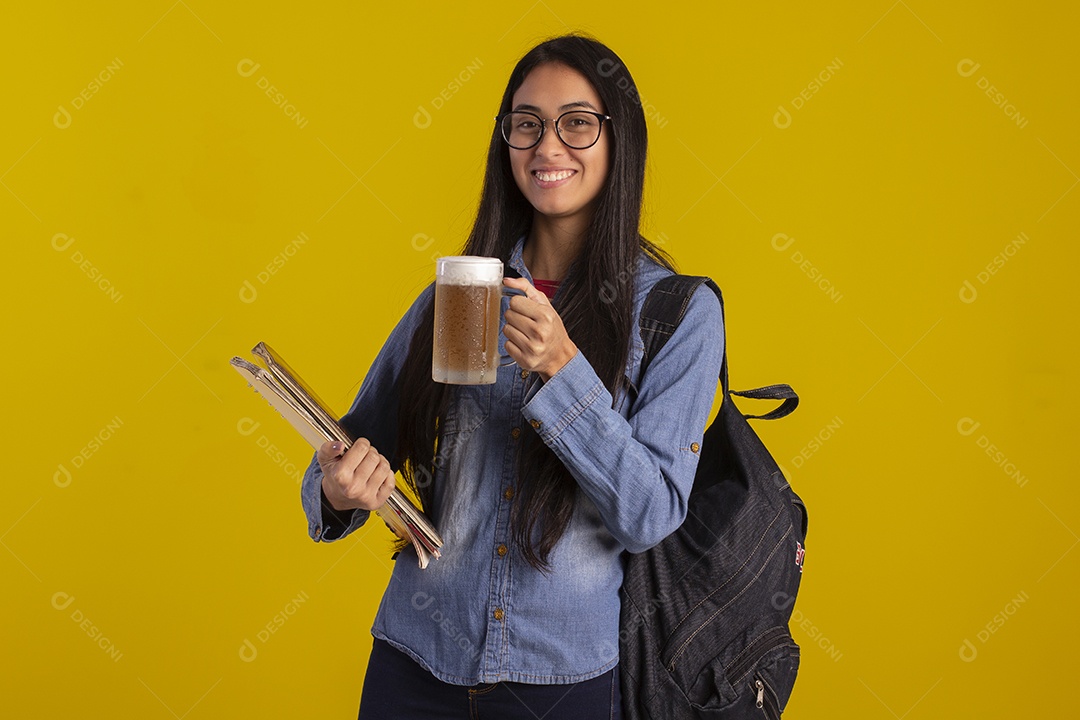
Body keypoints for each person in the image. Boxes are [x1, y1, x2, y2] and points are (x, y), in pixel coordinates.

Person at [300, 33, 724, 720]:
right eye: (526, 125)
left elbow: (650, 513)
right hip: (413, 662)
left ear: (621, 141)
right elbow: (348, 445)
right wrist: (339, 488)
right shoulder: (462, 294)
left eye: (577, 124)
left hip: (561, 682)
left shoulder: (675, 312)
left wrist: (563, 372)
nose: (547, 147)